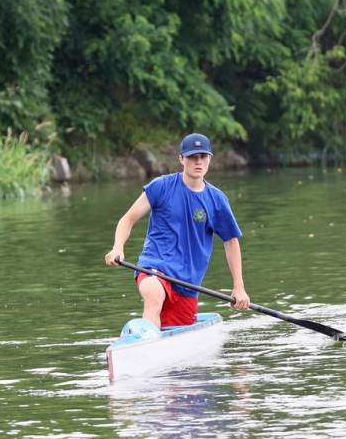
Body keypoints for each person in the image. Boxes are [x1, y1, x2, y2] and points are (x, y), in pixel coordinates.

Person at [105, 133, 250, 329]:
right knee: (154, 296)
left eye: (203, 156)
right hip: (154, 267)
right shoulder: (161, 187)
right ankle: (146, 346)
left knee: (175, 327)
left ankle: (154, 339)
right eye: (192, 157)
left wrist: (238, 287)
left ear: (210, 159)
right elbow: (128, 219)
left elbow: (231, 242)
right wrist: (117, 247)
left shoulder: (217, 200)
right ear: (181, 158)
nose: (198, 162)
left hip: (188, 283)